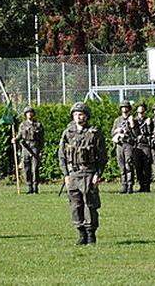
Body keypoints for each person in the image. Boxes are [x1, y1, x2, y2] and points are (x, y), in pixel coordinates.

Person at [59, 102, 107, 245]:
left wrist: (98, 173)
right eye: (75, 114)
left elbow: (102, 156)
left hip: (88, 173)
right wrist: (66, 174)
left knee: (90, 204)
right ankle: (80, 233)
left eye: (81, 114)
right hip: (73, 173)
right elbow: (61, 155)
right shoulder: (68, 133)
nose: (78, 117)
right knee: (75, 204)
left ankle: (91, 234)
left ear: (86, 116)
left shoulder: (94, 133)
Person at [111, 101, 138, 194]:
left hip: (128, 144)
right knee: (121, 166)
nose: (124, 109)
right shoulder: (117, 120)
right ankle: (124, 185)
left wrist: (132, 125)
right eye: (123, 107)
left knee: (129, 164)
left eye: (126, 107)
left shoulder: (133, 120)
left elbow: (136, 134)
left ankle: (130, 185)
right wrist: (117, 131)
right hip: (119, 144)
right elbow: (112, 133)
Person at [16, 107, 44, 193]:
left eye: (31, 112)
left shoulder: (38, 125)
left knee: (35, 168)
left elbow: (42, 139)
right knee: (26, 167)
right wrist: (15, 139)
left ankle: (35, 187)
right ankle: (29, 187)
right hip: (25, 147)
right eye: (28, 113)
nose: (29, 114)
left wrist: (41, 150)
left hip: (35, 146)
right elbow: (20, 135)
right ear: (25, 115)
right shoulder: (22, 125)